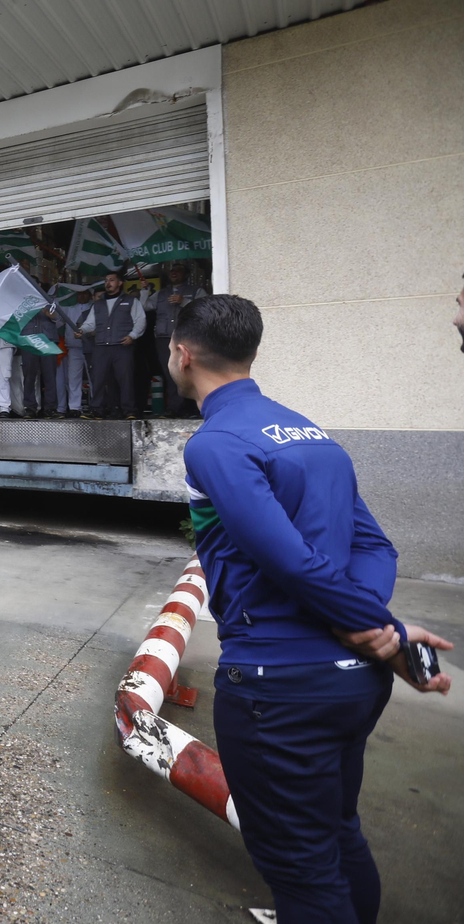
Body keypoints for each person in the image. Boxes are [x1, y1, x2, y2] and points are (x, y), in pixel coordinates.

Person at [169, 294, 453, 922]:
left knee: (302, 874)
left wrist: (385, 628)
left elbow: (289, 560)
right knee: (336, 830)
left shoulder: (214, 444)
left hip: (279, 693)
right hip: (354, 686)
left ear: (182, 355)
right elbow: (376, 546)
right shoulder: (310, 432)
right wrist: (380, 632)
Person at [77, 270, 145, 419]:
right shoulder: (98, 304)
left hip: (122, 345)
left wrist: (132, 336)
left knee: (125, 379)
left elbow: (140, 321)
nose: (108, 283)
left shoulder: (131, 301)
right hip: (101, 346)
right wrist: (82, 330)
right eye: (106, 280)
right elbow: (90, 323)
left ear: (120, 283)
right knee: (98, 379)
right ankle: (97, 410)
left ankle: (129, 410)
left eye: (112, 280)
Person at [144, 262, 206, 417]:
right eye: (172, 270)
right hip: (164, 339)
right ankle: (174, 408)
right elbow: (144, 306)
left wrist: (183, 302)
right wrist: (145, 291)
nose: (174, 273)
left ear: (186, 274)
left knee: (190, 373)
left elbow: (205, 309)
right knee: (170, 374)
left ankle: (193, 409)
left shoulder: (196, 291)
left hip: (188, 338)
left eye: (178, 270)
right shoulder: (160, 294)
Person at [18, 292, 62, 418]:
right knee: (29, 376)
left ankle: (50, 408)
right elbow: (15, 319)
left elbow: (60, 320)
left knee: (50, 376)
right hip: (29, 340)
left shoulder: (51, 300)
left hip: (48, 340)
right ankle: (30, 408)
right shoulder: (20, 301)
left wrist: (52, 316)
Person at [58, 289, 93, 418]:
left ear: (90, 295)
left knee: (93, 377)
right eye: (80, 293)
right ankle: (74, 407)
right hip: (73, 347)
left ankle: (96, 405)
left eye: (85, 293)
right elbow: (58, 318)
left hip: (90, 347)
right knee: (73, 378)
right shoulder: (69, 309)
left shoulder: (93, 308)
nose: (82, 296)